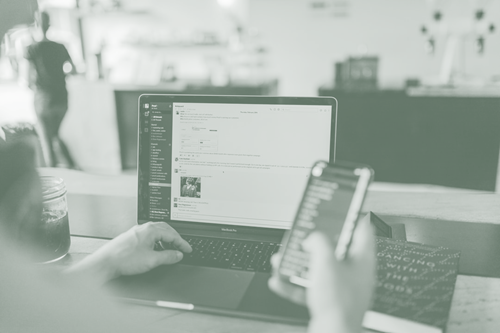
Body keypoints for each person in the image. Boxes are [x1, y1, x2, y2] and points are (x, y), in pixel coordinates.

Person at [24, 10, 75, 167]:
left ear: (36, 24)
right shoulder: (60, 47)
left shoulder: (31, 49)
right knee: (54, 135)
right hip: (62, 97)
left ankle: (57, 173)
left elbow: (26, 78)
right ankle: (72, 167)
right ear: (50, 24)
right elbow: (73, 69)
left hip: (43, 98)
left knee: (47, 140)